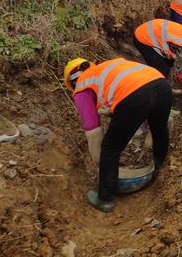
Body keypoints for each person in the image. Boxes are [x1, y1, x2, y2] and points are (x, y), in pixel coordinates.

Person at [63, 57, 173, 212]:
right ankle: (160, 168)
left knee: (110, 148)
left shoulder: (81, 88)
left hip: (137, 94)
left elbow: (92, 129)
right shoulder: (106, 69)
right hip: (162, 86)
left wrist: (100, 162)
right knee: (159, 128)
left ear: (72, 82)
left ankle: (105, 199)